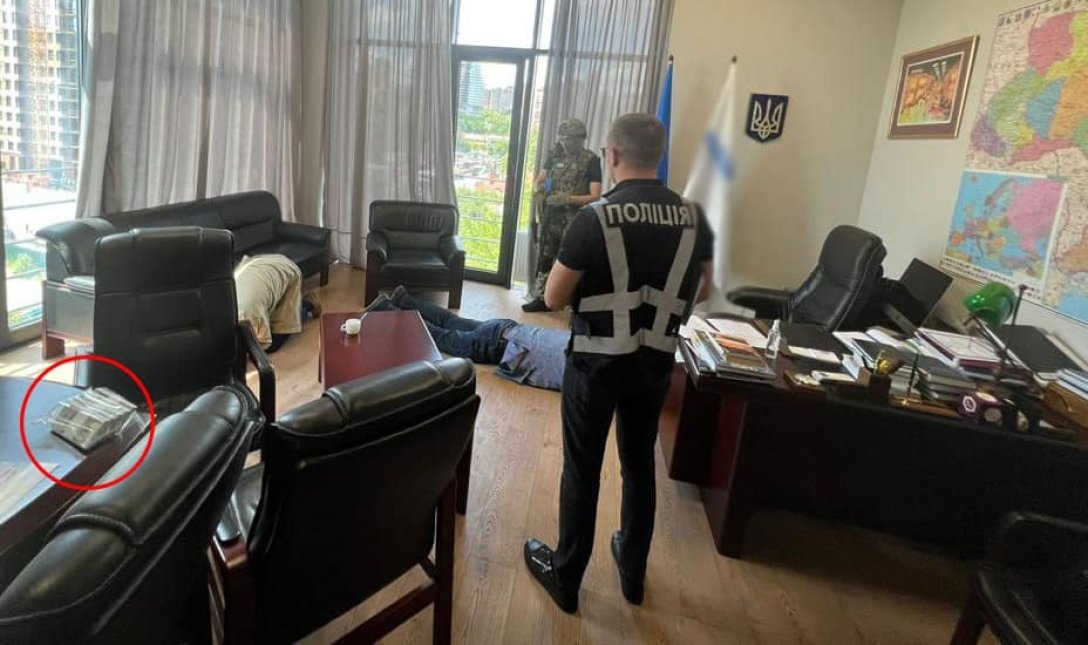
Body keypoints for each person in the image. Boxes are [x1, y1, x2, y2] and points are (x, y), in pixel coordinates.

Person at [523, 114, 714, 613]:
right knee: (638, 466)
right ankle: (632, 571)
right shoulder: (694, 218)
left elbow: (553, 295)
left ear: (611, 156)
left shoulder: (596, 218)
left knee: (582, 470)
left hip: (595, 366)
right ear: (659, 156)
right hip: (655, 365)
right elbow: (705, 287)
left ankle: (566, 578)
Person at [365, 286, 568, 390]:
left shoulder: (581, 343)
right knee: (441, 336)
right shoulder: (579, 372)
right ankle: (387, 309)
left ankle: (404, 299)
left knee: (450, 321)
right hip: (500, 345)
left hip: (508, 328)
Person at [523, 118, 603, 313]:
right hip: (550, 216)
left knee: (569, 259)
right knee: (545, 255)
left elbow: (595, 195)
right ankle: (541, 297)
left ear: (581, 139)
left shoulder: (591, 160)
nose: (567, 143)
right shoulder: (554, 155)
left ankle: (569, 300)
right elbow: (539, 180)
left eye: (571, 139)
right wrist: (538, 189)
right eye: (563, 139)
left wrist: (568, 199)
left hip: (574, 220)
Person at [234, 254, 320, 352]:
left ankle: (306, 304)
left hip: (286, 269)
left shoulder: (247, 312)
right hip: (258, 264)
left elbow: (263, 343)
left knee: (273, 344)